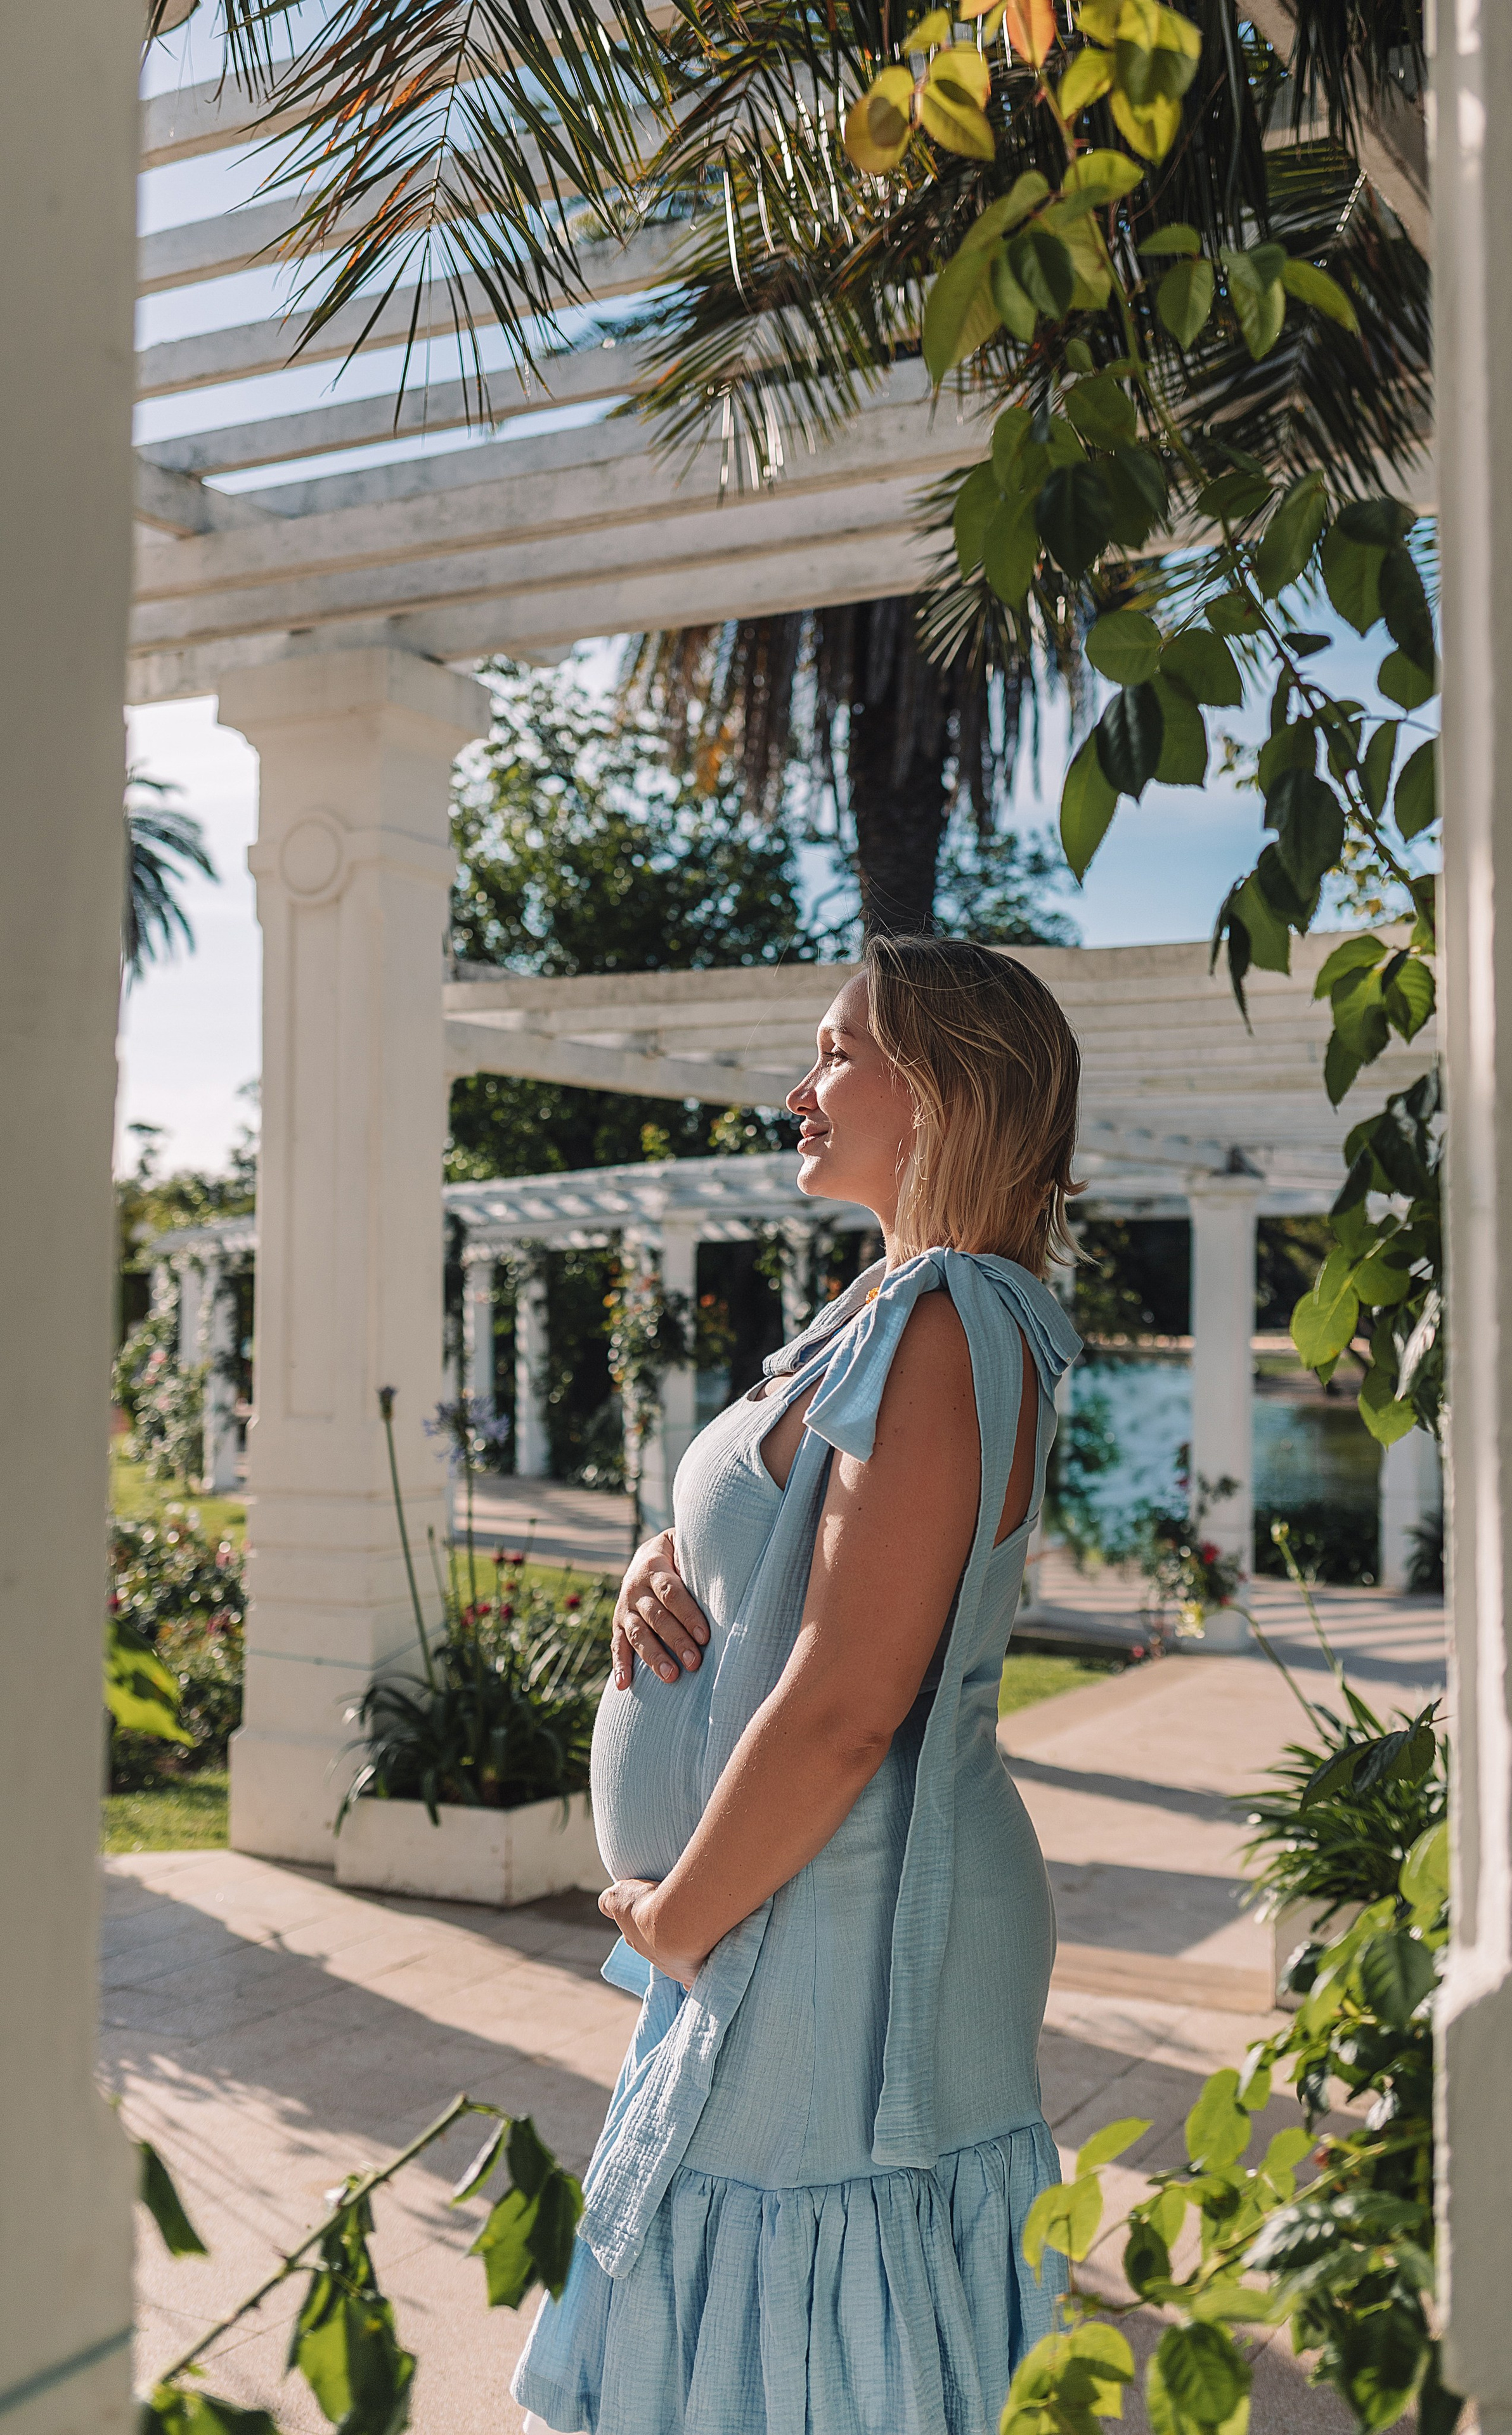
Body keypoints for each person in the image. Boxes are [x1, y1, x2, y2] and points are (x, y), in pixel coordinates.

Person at [513, 936, 1084, 2435]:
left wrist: (677, 1915)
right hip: (791, 1905)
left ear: (947, 1087)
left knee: (808, 2334)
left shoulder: (950, 1316)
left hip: (836, 1922)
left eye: (836, 1051)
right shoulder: (895, 1306)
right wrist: (664, 1555)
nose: (797, 1087)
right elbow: (788, 1540)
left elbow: (848, 1701)